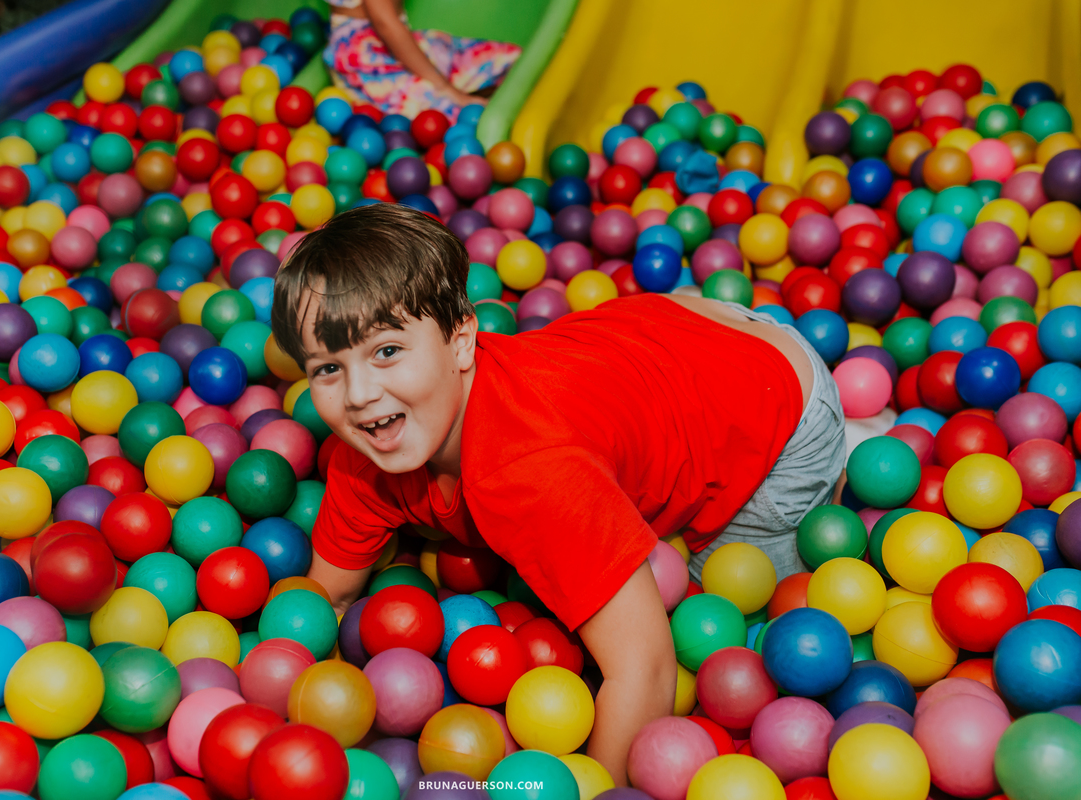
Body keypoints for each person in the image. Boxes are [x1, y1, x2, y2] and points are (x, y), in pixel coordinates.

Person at [270, 203, 845, 784]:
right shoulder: (363, 458)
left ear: (462, 340)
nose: (360, 394)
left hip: (771, 406)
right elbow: (326, 606)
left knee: (734, 634)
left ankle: (847, 443)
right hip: (666, 335)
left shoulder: (530, 472)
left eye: (386, 351)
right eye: (327, 369)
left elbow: (644, 666)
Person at [322, 0, 521, 119]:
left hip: (395, 39)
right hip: (363, 55)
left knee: (509, 58)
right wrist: (446, 89)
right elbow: (385, 23)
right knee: (459, 115)